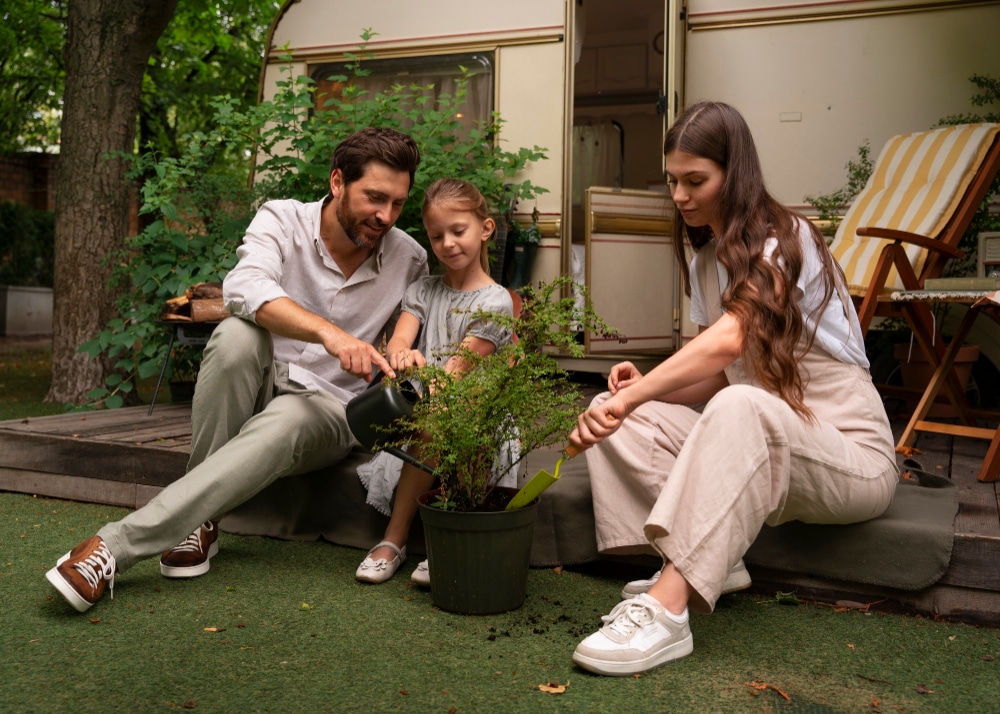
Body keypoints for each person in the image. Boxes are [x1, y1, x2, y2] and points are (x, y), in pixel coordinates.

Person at [568, 102, 897, 676]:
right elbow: (718, 373)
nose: (679, 195)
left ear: (734, 172)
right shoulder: (705, 259)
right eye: (673, 180)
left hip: (850, 452)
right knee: (616, 412)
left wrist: (636, 394)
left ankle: (668, 614)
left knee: (738, 404)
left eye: (696, 181)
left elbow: (727, 343)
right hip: (768, 427)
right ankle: (714, 559)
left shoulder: (785, 239)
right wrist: (641, 393)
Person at [46, 127, 429, 612]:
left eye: (397, 203)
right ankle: (200, 522)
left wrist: (405, 355)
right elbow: (242, 288)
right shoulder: (283, 218)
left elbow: (410, 339)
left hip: (329, 409)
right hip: (262, 378)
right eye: (375, 198)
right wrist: (330, 334)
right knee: (235, 334)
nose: (386, 216)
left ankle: (114, 547)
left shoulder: (409, 258)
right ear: (337, 182)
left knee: (287, 419)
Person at [354, 178, 515, 586]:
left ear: (486, 228)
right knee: (433, 419)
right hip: (430, 406)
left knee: (441, 418)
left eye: (457, 231)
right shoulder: (423, 290)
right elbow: (400, 341)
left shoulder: (495, 301)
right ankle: (397, 541)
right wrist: (402, 355)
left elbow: (458, 370)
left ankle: (424, 536)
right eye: (436, 235)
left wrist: (429, 387)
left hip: (473, 412)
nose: (447, 243)